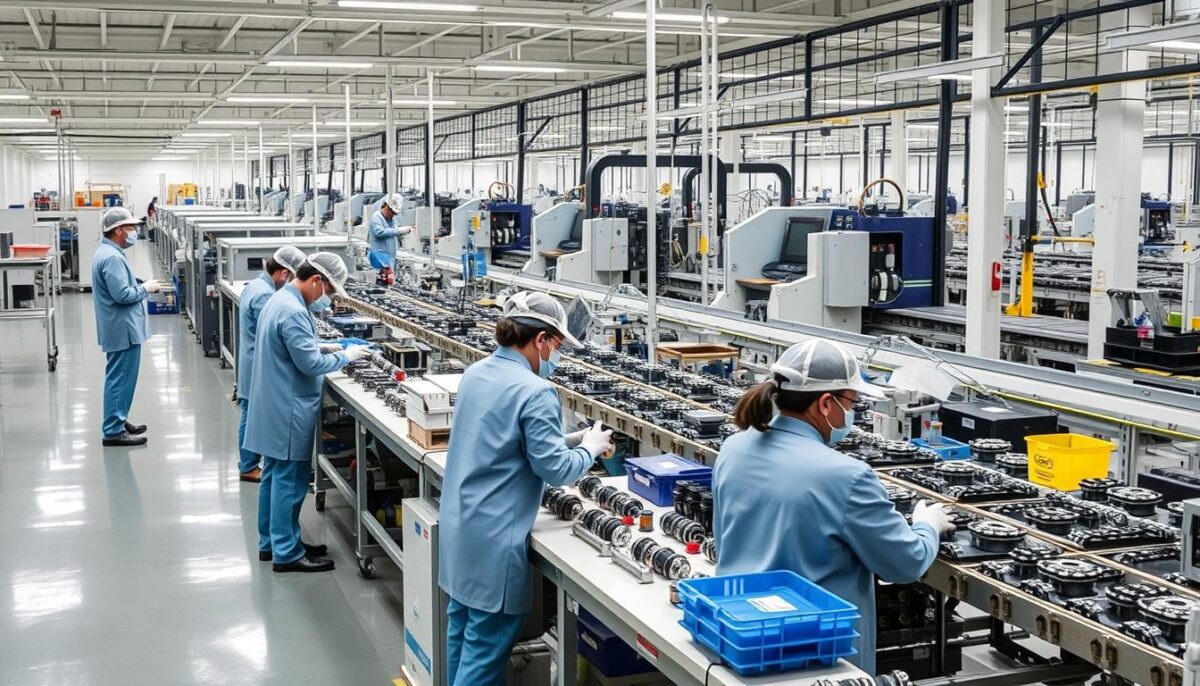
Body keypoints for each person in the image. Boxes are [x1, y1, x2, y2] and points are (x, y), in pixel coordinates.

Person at [712, 338, 954, 674]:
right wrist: (928, 524)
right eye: (852, 402)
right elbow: (905, 563)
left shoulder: (733, 448)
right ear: (826, 404)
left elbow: (725, 541)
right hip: (817, 656)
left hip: (743, 638)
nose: (854, 413)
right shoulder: (846, 476)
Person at [439, 291, 613, 686]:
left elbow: (507, 441)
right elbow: (555, 470)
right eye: (557, 346)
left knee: (460, 639)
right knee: (483, 656)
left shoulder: (477, 373)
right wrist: (589, 450)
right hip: (493, 542)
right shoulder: (536, 391)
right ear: (540, 340)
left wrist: (577, 438)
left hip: (460, 528)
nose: (557, 356)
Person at [242, 252, 372, 572]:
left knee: (273, 476)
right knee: (290, 481)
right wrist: (347, 356)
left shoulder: (281, 300)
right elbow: (310, 364)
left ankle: (271, 542)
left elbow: (296, 347)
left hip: (273, 403)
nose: (327, 300)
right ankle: (287, 553)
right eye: (328, 292)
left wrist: (327, 345)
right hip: (288, 408)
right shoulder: (294, 311)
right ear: (316, 281)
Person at [92, 207, 166, 447]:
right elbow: (122, 294)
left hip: (118, 326)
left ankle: (119, 419)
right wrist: (146, 289)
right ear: (119, 230)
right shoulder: (112, 257)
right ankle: (113, 430)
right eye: (131, 228)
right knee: (120, 378)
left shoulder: (107, 251)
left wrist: (140, 283)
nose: (135, 232)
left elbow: (121, 284)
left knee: (121, 377)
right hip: (122, 328)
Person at [234, 245, 307, 483]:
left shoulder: (256, 285)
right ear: (285, 274)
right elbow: (279, 329)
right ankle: (248, 466)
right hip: (257, 363)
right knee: (251, 415)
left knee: (249, 412)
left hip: (250, 358)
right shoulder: (265, 294)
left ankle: (248, 463)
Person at [367, 193, 413, 267]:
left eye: (394, 213)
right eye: (392, 212)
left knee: (389, 277)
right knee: (382, 278)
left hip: (388, 258)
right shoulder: (376, 217)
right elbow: (379, 232)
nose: (392, 215)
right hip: (379, 258)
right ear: (386, 206)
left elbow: (391, 233)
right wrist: (398, 231)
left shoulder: (390, 219)